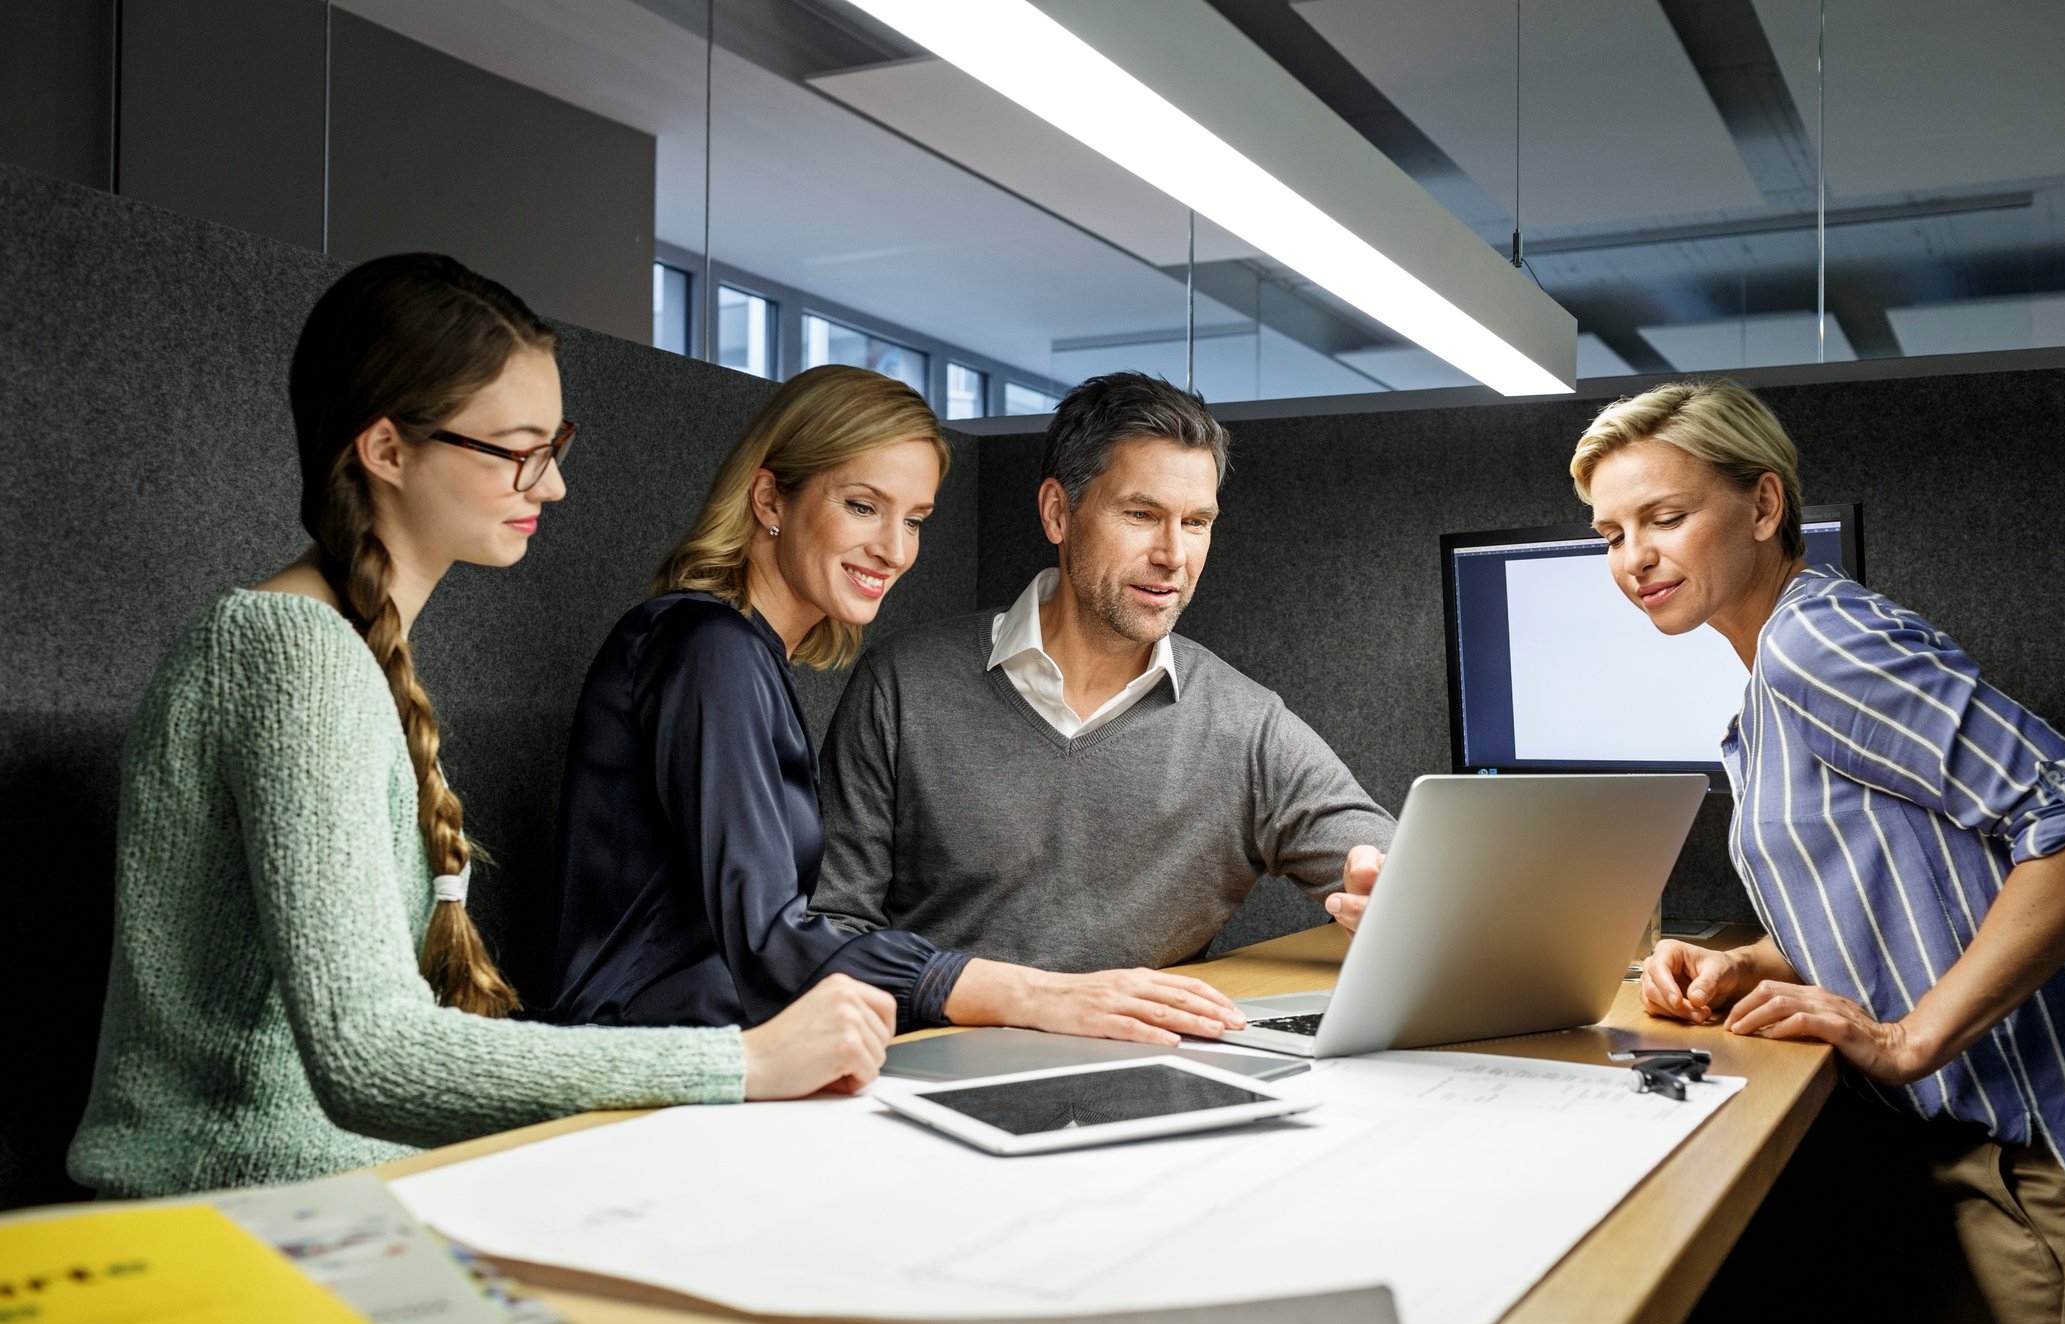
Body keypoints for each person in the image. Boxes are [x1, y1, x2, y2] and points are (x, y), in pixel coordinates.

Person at [67, 255, 894, 1201]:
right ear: (385, 450)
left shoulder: (343, 651)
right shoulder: (293, 655)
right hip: (239, 1217)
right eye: (516, 450)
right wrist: (741, 1064)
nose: (551, 488)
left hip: (324, 1197)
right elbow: (369, 1054)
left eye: (554, 446)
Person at [1573, 378, 2065, 1324]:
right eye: (1609, 533)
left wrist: (1910, 1040)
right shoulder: (1772, 674)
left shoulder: (1816, 644)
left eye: (1665, 517)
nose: (1631, 557)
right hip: (1979, 1170)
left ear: (1765, 507)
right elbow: (1913, 888)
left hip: (2051, 1171)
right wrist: (1754, 961)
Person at [545, 367, 1244, 1045]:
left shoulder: (743, 655)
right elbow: (770, 939)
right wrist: (1036, 994)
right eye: (861, 506)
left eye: (914, 520)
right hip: (645, 1089)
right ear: (768, 500)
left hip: (722, 1068)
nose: (893, 548)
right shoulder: (707, 646)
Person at [813, 371, 1395, 1040]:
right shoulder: (904, 685)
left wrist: (1397, 893)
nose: (1172, 555)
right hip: (929, 1064)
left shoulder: (1245, 727)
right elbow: (829, 939)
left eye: (1196, 523)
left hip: (1141, 1073)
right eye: (1141, 515)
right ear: (1058, 512)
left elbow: (1395, 871)